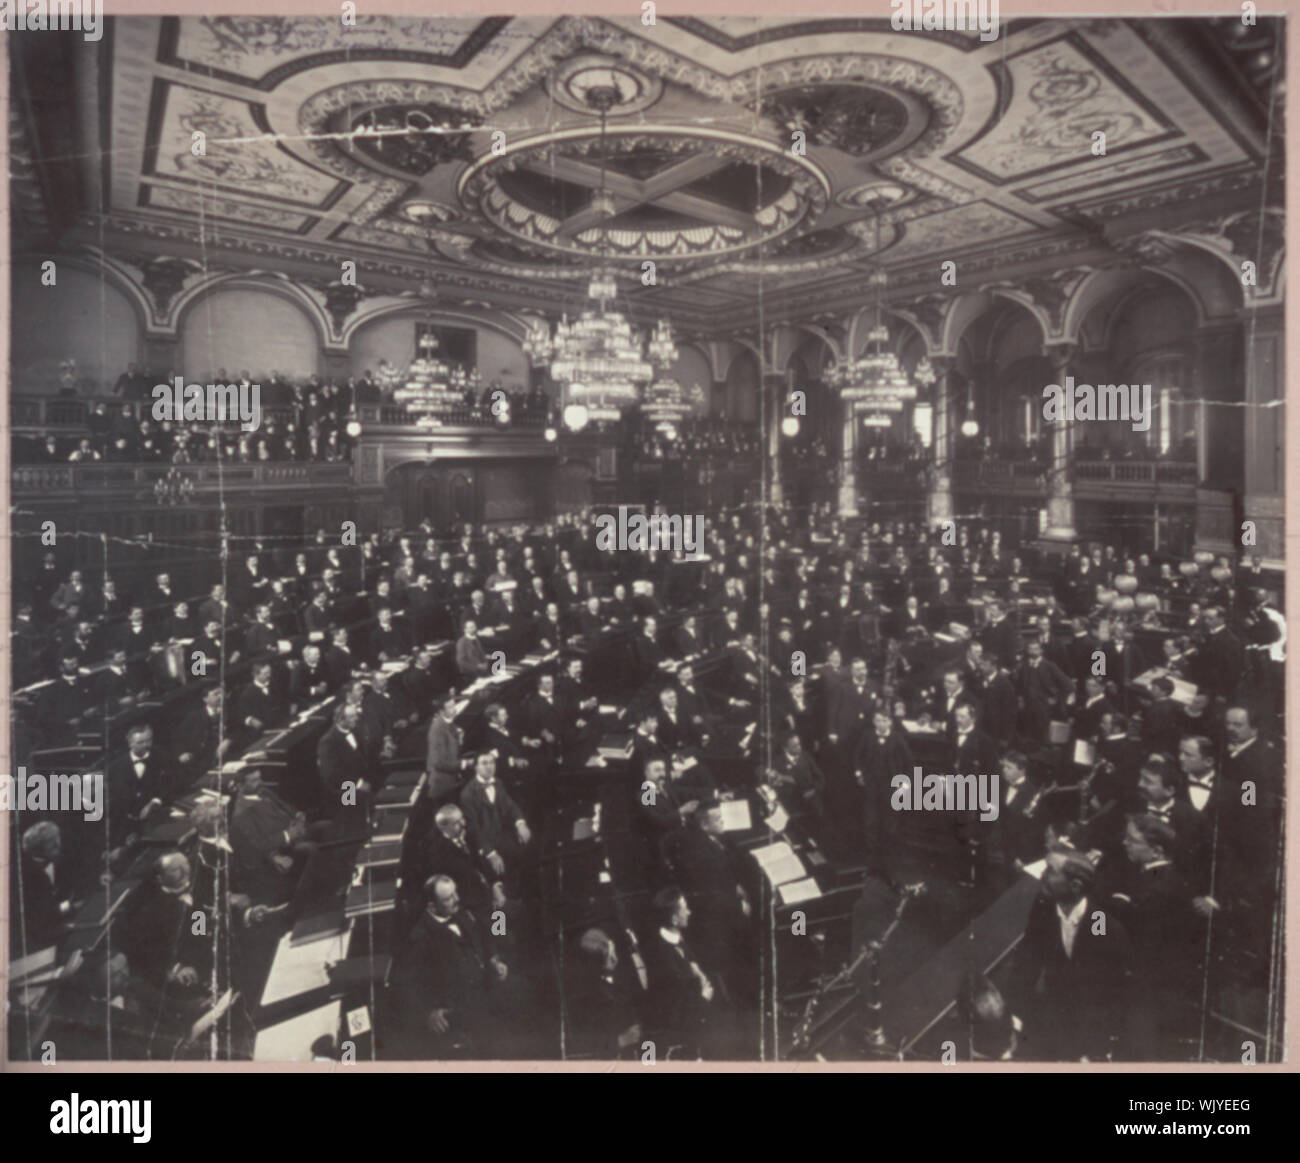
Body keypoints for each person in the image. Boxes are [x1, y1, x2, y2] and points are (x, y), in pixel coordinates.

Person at [387, 876, 507, 1059]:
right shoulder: (419, 937)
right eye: (448, 898)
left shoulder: (462, 913)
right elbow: (404, 984)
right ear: (431, 906)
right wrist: (428, 1012)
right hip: (460, 1008)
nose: (457, 899)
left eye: (455, 892)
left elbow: (485, 936)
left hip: (487, 986)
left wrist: (494, 960)